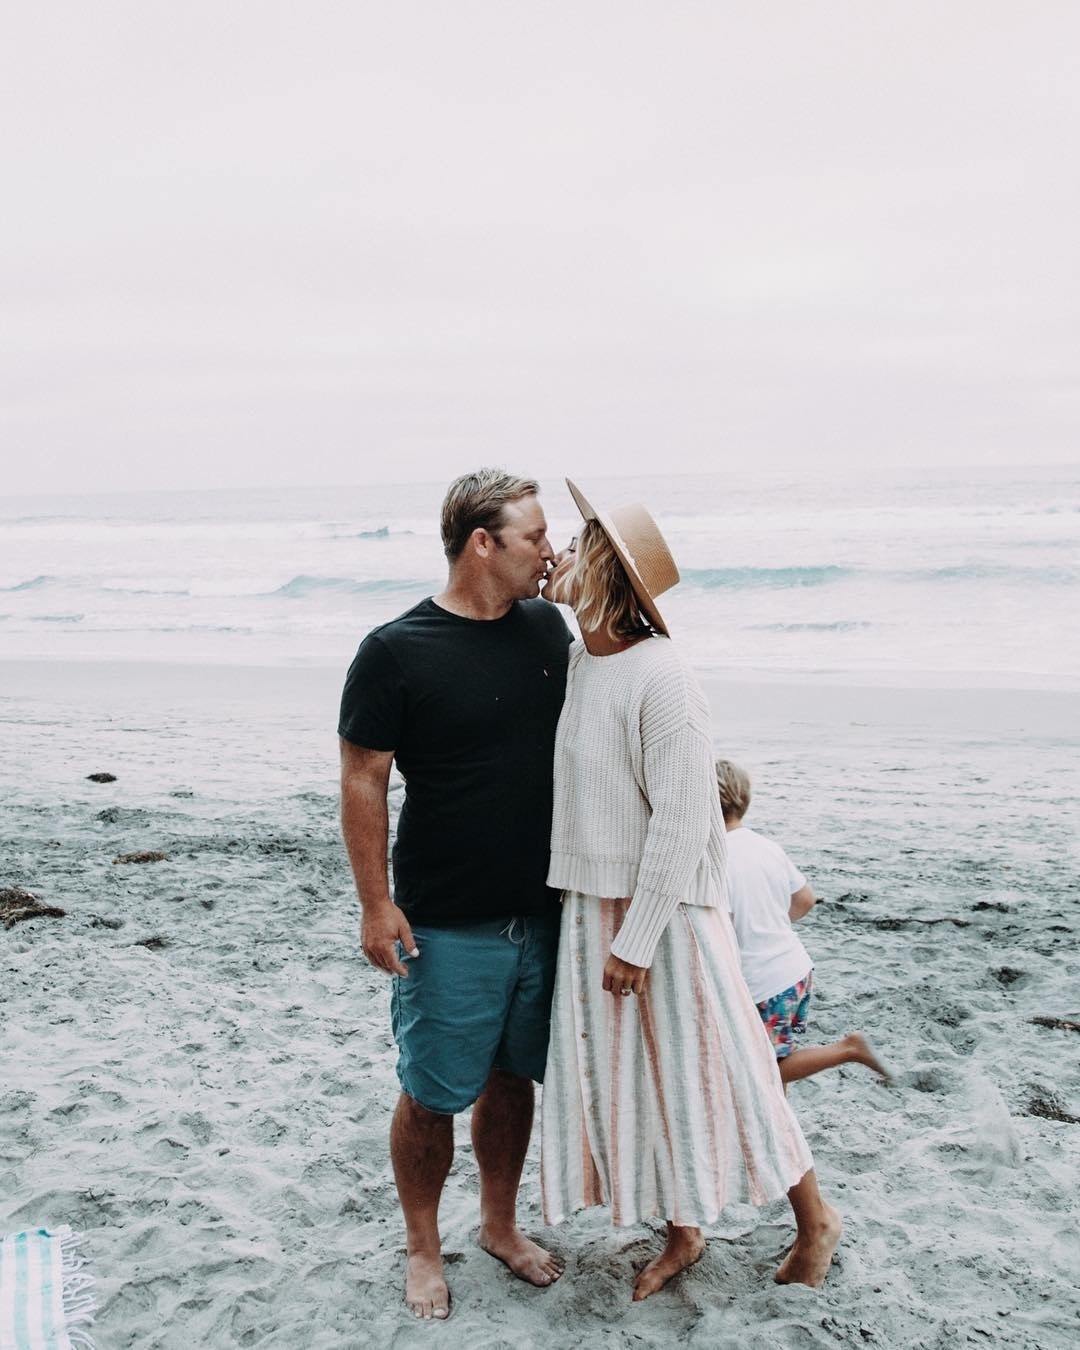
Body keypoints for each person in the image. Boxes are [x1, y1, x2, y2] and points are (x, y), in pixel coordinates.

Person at [539, 480, 842, 1299]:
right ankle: (683, 1231)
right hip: (590, 905)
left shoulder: (661, 672)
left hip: (662, 914)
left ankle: (816, 1222)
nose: (557, 553)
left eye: (574, 543)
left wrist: (635, 939)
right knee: (644, 1078)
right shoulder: (579, 662)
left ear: (602, 567)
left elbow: (682, 819)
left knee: (735, 1069)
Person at [338, 469, 573, 1320]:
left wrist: (584, 584)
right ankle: (423, 1247)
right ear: (485, 543)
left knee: (514, 1082)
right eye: (537, 536)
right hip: (445, 919)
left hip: (549, 912)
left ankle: (499, 1225)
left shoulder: (553, 628)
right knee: (433, 1092)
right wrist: (376, 902)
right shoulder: (396, 650)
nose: (550, 551)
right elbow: (363, 779)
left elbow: (639, 651)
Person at [715, 759, 891, 1086]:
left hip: (763, 986)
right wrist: (770, 922)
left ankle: (848, 1049)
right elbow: (806, 900)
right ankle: (780, 1132)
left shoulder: (714, 858)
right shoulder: (767, 846)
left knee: (763, 1071)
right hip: (797, 976)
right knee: (782, 1056)